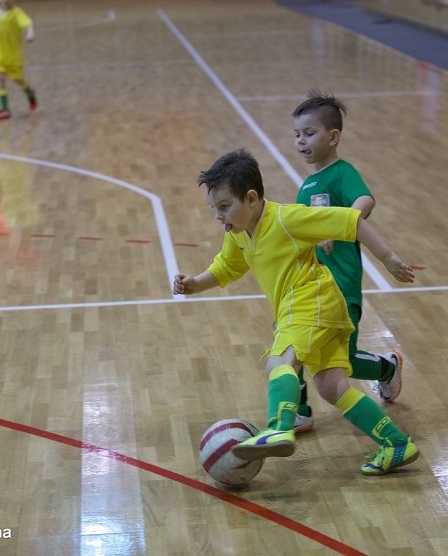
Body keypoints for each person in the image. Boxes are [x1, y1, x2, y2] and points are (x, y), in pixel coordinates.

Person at [172, 149, 419, 475]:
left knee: (280, 359)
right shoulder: (239, 234)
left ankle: (279, 425)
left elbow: (352, 220)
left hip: (310, 302)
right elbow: (226, 269)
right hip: (319, 310)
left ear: (250, 198)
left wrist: (387, 258)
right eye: (214, 209)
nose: (219, 216)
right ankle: (396, 443)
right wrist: (194, 284)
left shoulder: (288, 218)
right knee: (332, 388)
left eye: (224, 207)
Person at [291, 91, 404, 434]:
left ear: (333, 137)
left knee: (344, 361)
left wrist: (339, 226)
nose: (300, 141)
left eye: (309, 133)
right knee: (289, 342)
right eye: (296, 134)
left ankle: (386, 367)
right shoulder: (306, 186)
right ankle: (300, 411)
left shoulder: (342, 173)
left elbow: (365, 200)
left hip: (343, 285)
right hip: (314, 288)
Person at [0, 0, 37, 121]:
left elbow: (28, 23)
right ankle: (5, 109)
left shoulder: (17, 13)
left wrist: (30, 33)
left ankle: (30, 93)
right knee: (0, 78)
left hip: (14, 55)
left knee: (18, 80)